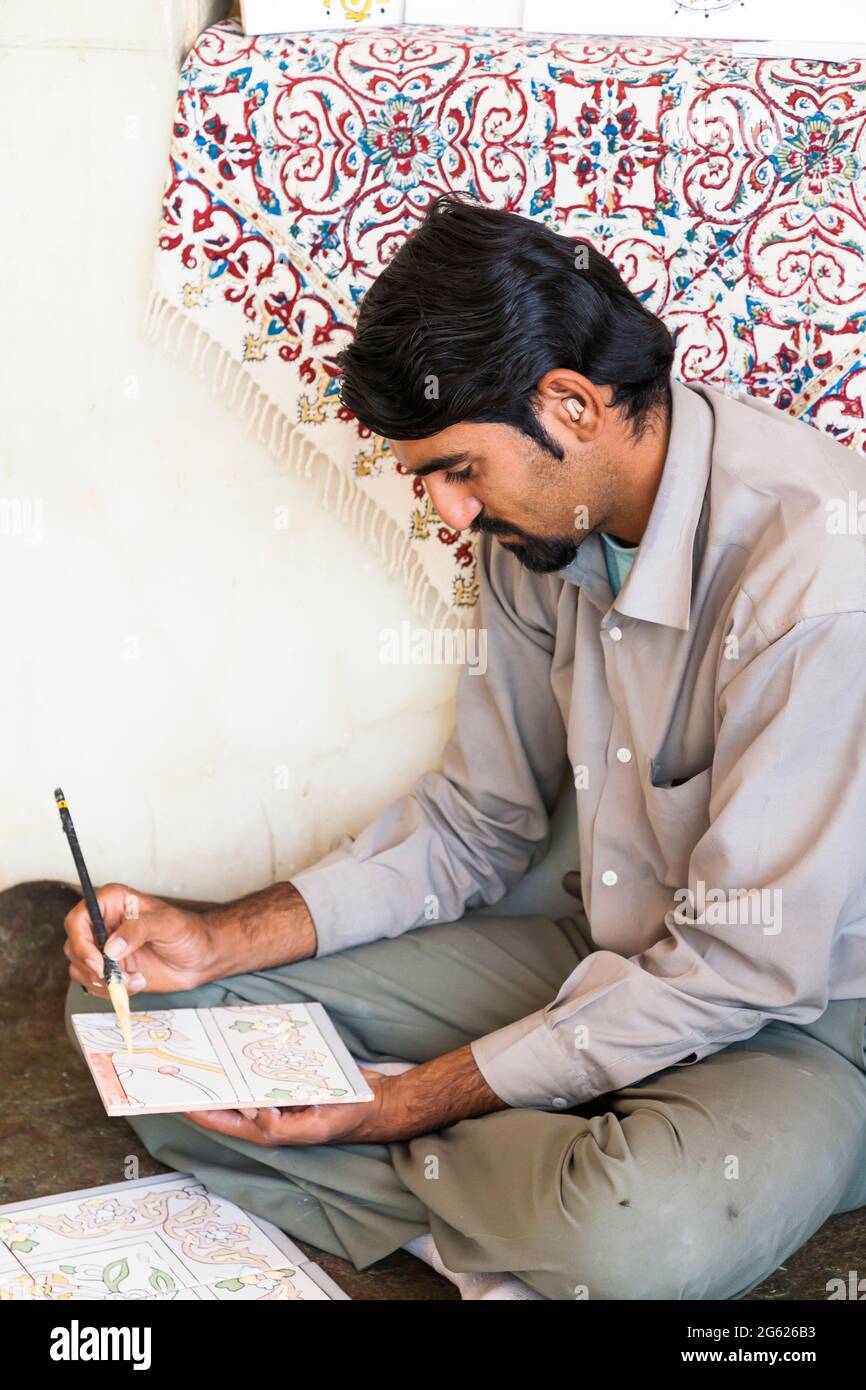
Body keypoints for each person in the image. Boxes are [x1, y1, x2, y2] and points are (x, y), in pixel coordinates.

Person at [63, 194, 866, 1300]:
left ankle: (448, 1166)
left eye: (456, 468)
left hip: (804, 1025)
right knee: (141, 1016)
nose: (445, 513)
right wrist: (213, 939)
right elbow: (474, 825)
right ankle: (503, 1188)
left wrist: (404, 1099)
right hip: (601, 951)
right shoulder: (532, 538)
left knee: (634, 1238)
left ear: (572, 403)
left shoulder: (815, 577)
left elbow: (739, 972)